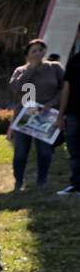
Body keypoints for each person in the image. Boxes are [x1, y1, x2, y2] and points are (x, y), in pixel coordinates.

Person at [7, 40, 65, 192]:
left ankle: (42, 181)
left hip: (47, 115)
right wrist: (31, 68)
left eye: (40, 50)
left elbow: (64, 88)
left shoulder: (55, 68)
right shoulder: (21, 70)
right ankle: (18, 181)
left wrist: (52, 103)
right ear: (27, 55)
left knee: (44, 151)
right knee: (20, 152)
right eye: (33, 51)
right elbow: (15, 88)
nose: (38, 53)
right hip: (24, 116)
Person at [60, 47, 80, 196]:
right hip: (73, 113)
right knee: (74, 151)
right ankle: (76, 184)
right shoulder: (74, 61)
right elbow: (66, 88)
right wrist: (61, 114)